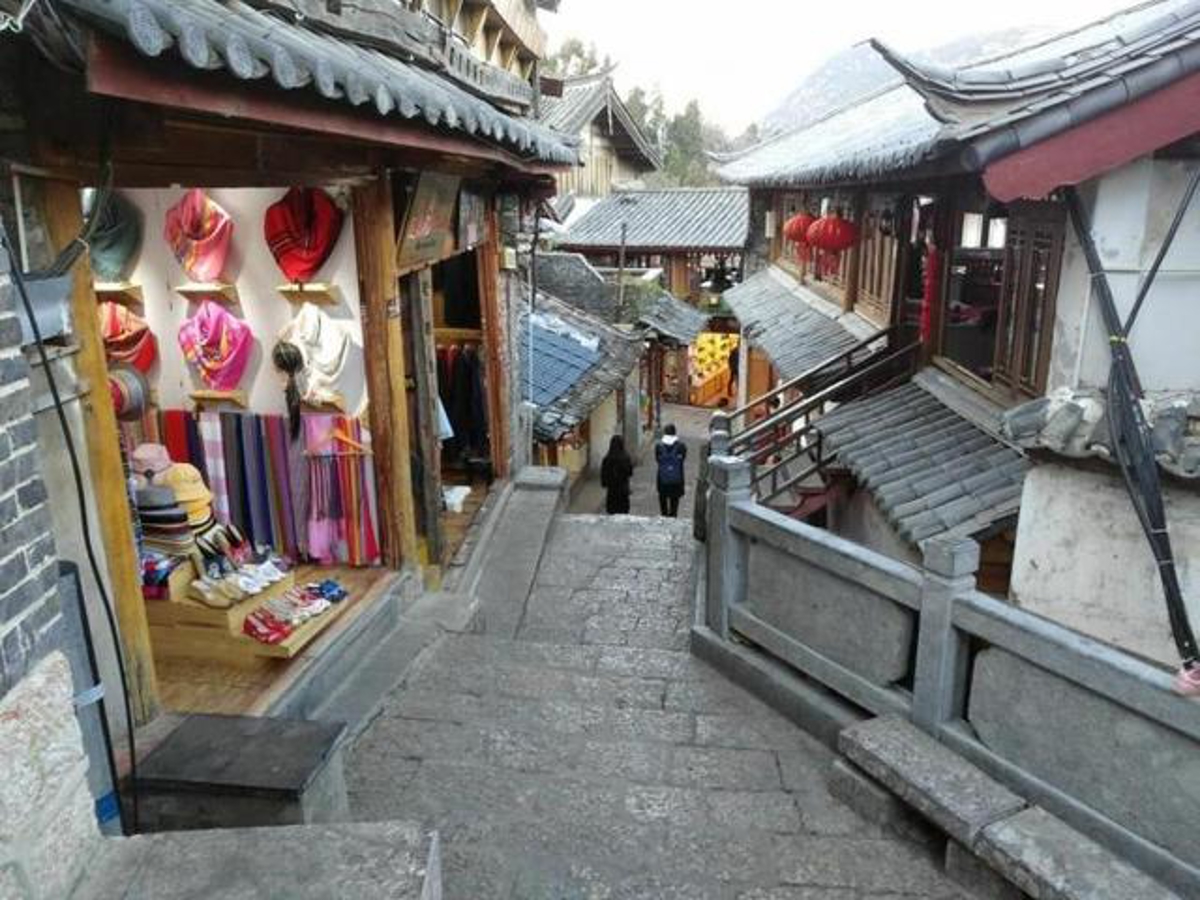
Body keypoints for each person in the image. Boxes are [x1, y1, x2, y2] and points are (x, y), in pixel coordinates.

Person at [655, 424, 688, 518]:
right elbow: (683, 460)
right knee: (674, 502)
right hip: (676, 479)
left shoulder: (659, 446)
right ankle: (673, 517)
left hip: (662, 478)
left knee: (663, 500)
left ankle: (664, 516)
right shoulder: (681, 446)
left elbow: (657, 460)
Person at [600, 435, 633, 515]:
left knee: (612, 513)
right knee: (623, 513)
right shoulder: (626, 458)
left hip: (611, 492)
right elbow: (630, 473)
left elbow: (603, 476)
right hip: (623, 491)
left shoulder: (607, 459)